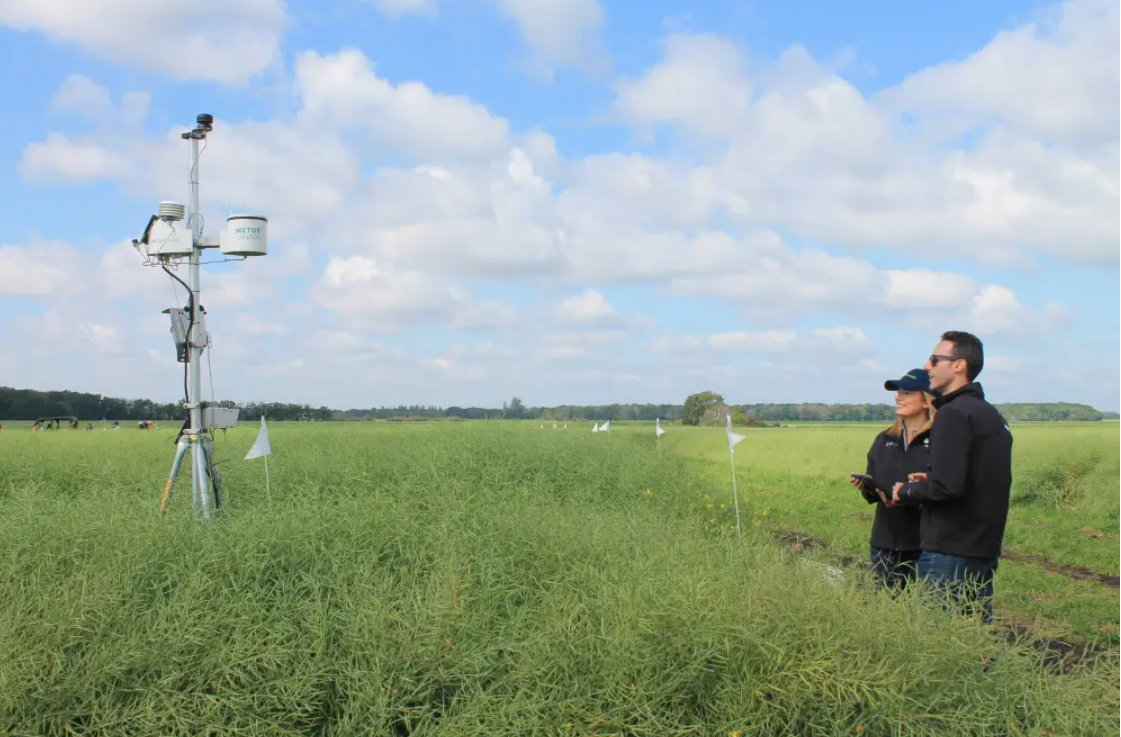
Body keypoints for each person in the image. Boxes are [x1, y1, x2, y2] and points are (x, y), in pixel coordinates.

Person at [886, 331, 1013, 624]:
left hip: (949, 550)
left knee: (939, 643)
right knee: (973, 639)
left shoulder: (952, 414)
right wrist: (931, 477)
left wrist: (905, 491)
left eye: (934, 359)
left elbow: (948, 487)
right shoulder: (990, 415)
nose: (927, 367)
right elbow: (973, 478)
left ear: (958, 365)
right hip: (981, 548)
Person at [850, 369, 936, 590]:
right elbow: (874, 488)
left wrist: (910, 496)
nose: (898, 397)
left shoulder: (940, 440)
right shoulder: (885, 439)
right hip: (885, 542)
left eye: (906, 392)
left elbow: (947, 486)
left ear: (927, 400)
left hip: (926, 548)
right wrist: (867, 487)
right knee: (888, 609)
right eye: (898, 392)